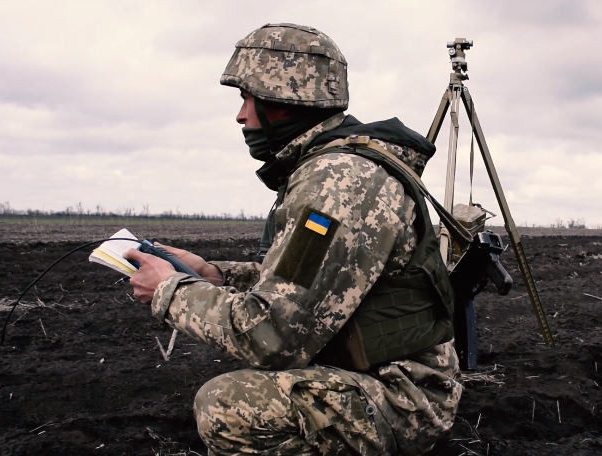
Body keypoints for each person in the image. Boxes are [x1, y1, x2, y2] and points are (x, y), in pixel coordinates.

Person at [125, 23, 462, 456]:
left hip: (404, 396)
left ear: (284, 101)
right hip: (382, 377)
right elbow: (303, 282)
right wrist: (214, 275)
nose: (241, 116)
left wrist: (170, 292)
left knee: (227, 407)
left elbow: (274, 336)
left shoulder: (337, 182)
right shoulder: (333, 170)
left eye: (248, 98)